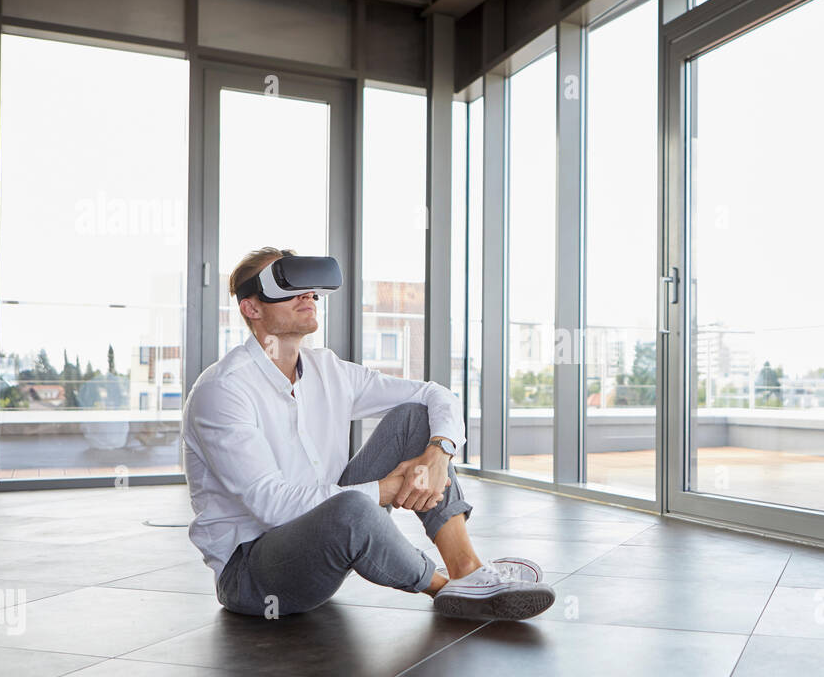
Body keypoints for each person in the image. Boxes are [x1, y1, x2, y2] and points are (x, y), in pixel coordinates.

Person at [182, 246, 555, 621]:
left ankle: (467, 570)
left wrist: (439, 454)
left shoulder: (327, 369)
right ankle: (450, 591)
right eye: (289, 285)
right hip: (255, 577)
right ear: (252, 308)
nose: (308, 294)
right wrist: (384, 490)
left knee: (414, 418)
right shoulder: (223, 390)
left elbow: (434, 394)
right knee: (354, 506)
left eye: (310, 287)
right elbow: (273, 506)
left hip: (327, 542)